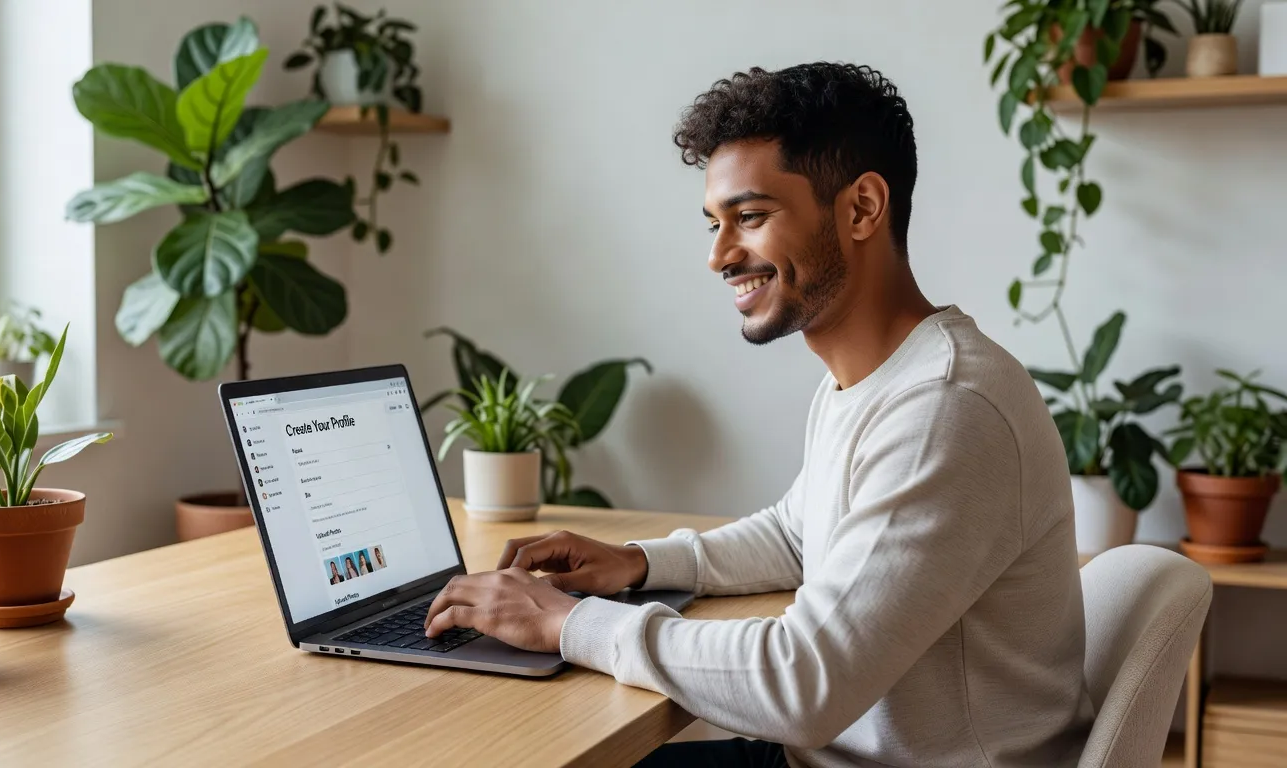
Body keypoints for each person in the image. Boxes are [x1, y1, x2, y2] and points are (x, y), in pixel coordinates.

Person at [423, 62, 1092, 766]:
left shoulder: (944, 408)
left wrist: (568, 623)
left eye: (750, 217)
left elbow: (805, 683)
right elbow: (800, 538)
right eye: (715, 223)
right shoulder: (873, 380)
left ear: (862, 208)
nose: (719, 255)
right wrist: (636, 563)